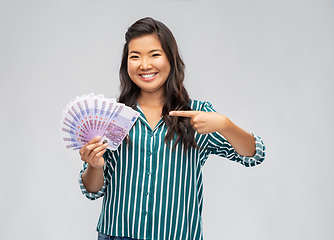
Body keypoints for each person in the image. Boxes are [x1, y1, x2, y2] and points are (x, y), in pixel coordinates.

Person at [78, 17, 266, 240]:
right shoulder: (111, 116)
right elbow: (92, 190)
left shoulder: (197, 114)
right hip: (117, 235)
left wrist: (225, 124)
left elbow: (254, 154)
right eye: (135, 56)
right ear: (125, 63)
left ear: (171, 59)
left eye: (154, 55)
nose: (145, 65)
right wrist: (94, 166)